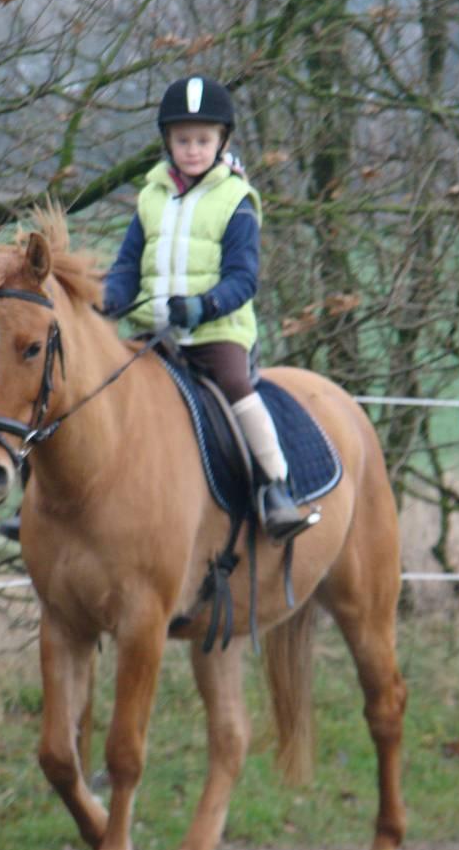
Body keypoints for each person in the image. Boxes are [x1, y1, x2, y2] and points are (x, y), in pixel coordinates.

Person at [103, 75, 307, 541]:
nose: (192, 149)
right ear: (168, 142)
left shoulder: (236, 200)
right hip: (154, 333)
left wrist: (203, 307)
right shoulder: (149, 197)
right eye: (183, 140)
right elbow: (126, 266)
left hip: (217, 334)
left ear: (222, 141)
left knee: (238, 387)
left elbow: (243, 279)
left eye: (202, 139)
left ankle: (276, 487)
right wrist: (109, 300)